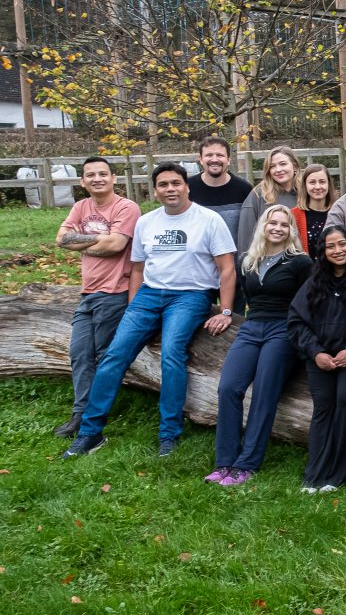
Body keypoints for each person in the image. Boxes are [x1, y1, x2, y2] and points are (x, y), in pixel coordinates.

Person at [62, 163, 238, 459]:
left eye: (175, 183)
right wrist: (134, 306)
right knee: (115, 355)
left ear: (187, 186)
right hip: (148, 295)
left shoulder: (209, 220)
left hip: (190, 296)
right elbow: (138, 268)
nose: (170, 189)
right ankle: (90, 432)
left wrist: (227, 310)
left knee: (171, 353)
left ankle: (168, 433)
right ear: (155, 190)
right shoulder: (147, 222)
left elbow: (227, 268)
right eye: (164, 185)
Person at [208, 205, 313, 486]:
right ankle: (224, 462)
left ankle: (246, 465)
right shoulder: (247, 260)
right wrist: (227, 313)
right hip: (251, 327)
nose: (277, 228)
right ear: (263, 227)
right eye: (272, 223)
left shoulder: (301, 262)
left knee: (265, 393)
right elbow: (242, 296)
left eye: (283, 224)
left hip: (283, 329)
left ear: (291, 230)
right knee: (228, 387)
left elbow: (309, 301)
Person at [52, 156, 141, 438]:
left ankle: (93, 416)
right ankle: (80, 413)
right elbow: (60, 240)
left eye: (103, 174)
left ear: (113, 178)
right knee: (79, 355)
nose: (97, 179)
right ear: (82, 181)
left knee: (103, 356)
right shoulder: (81, 206)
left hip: (115, 292)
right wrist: (95, 243)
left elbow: (116, 245)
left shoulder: (126, 207)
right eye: (90, 175)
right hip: (87, 293)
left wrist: (80, 242)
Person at [289, 225, 346, 492]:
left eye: (342, 244)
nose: (338, 250)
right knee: (323, 406)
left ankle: (339, 474)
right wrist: (316, 353)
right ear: (323, 252)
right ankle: (315, 474)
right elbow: (296, 321)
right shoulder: (315, 280)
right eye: (330, 246)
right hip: (321, 357)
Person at [187, 136, 254, 248]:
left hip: (235, 261)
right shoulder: (187, 188)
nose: (214, 159)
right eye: (209, 155)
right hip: (197, 261)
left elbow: (252, 227)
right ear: (201, 159)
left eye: (220, 155)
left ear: (228, 160)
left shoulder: (244, 189)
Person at [236, 145, 301, 248]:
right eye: (272, 166)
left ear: (295, 166)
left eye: (283, 164)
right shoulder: (258, 195)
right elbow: (246, 237)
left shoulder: (306, 193)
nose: (278, 170)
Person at [292, 163, 339, 254]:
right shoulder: (294, 215)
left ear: (328, 184)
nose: (317, 187)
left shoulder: (339, 212)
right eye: (312, 182)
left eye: (322, 182)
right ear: (305, 185)